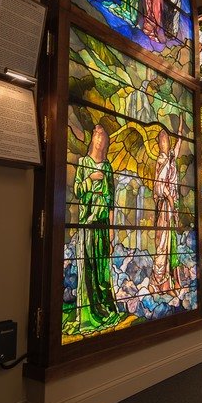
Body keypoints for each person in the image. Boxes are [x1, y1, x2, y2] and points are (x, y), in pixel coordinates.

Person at [71, 125, 120, 333]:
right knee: (88, 269)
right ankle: (88, 314)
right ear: (93, 139)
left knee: (102, 270)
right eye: (98, 136)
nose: (100, 141)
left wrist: (111, 231)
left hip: (103, 225)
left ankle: (106, 309)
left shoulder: (108, 167)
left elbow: (111, 200)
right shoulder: (83, 163)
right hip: (87, 224)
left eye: (103, 138)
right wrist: (90, 180)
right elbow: (77, 190)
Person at [151, 127, 181, 292]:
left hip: (172, 206)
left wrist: (180, 132)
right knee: (163, 241)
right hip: (164, 207)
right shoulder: (161, 160)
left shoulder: (170, 157)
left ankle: (171, 278)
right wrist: (170, 200)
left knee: (171, 242)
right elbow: (159, 186)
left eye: (167, 139)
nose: (165, 142)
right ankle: (159, 279)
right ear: (158, 144)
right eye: (162, 140)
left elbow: (177, 149)